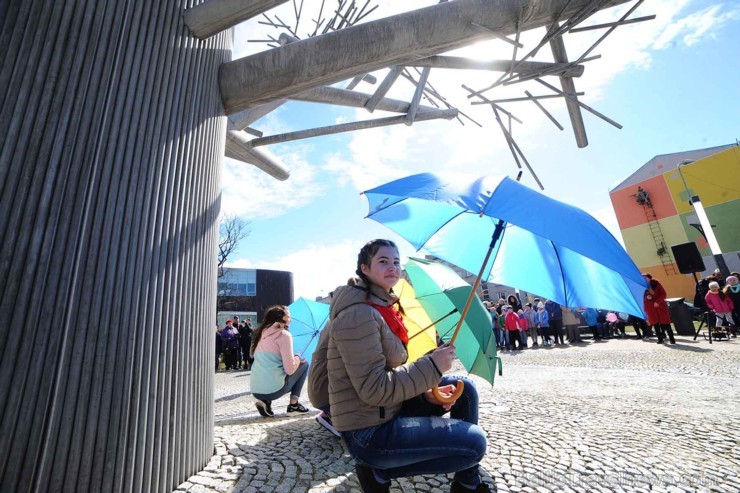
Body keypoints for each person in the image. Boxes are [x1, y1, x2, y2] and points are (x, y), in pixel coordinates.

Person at [309, 239, 490, 493]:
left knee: (465, 389)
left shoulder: (379, 307)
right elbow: (374, 388)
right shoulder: (358, 314)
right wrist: (432, 367)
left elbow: (386, 371)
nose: (393, 267)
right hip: (368, 431)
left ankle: (466, 481)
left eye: (396, 261)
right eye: (383, 261)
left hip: (383, 409)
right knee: (474, 444)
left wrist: (426, 390)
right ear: (365, 268)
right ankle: (378, 468)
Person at [250, 305, 310, 417]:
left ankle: (266, 402)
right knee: (304, 364)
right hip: (274, 391)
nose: (290, 319)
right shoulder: (283, 335)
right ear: (281, 318)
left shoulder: (260, 333)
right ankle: (294, 405)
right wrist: (297, 358)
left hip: (255, 390)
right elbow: (290, 370)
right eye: (289, 316)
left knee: (273, 369)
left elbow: (265, 359)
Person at [643, 273, 675, 344]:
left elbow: (663, 294)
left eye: (646, 277)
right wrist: (646, 298)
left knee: (666, 324)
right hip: (651, 308)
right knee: (655, 324)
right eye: (643, 278)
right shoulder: (642, 287)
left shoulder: (657, 284)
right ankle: (660, 339)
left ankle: (672, 339)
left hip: (660, 306)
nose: (644, 279)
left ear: (649, 278)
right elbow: (641, 298)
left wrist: (657, 302)